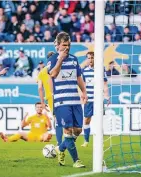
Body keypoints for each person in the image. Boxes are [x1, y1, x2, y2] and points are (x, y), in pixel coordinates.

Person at [48, 32, 87, 168]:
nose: (67, 48)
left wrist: (84, 92)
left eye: (68, 45)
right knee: (68, 131)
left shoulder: (74, 59)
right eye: (64, 45)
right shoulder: (53, 59)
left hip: (75, 100)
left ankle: (60, 148)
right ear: (57, 46)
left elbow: (78, 78)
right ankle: (76, 160)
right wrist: (60, 59)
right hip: (61, 101)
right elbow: (52, 74)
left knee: (77, 130)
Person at [81, 52, 110, 147]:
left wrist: (107, 96)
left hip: (98, 100)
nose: (90, 60)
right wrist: (83, 96)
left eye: (92, 58)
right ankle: (86, 141)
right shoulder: (84, 71)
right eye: (88, 58)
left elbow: (105, 84)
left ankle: (100, 141)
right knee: (86, 120)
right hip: (89, 100)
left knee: (100, 121)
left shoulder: (101, 70)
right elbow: (83, 86)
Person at [37, 49, 63, 146]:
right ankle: (67, 138)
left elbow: (40, 88)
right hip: (61, 94)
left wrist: (42, 103)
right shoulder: (59, 67)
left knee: (57, 119)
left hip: (50, 98)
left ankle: (59, 141)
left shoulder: (42, 72)